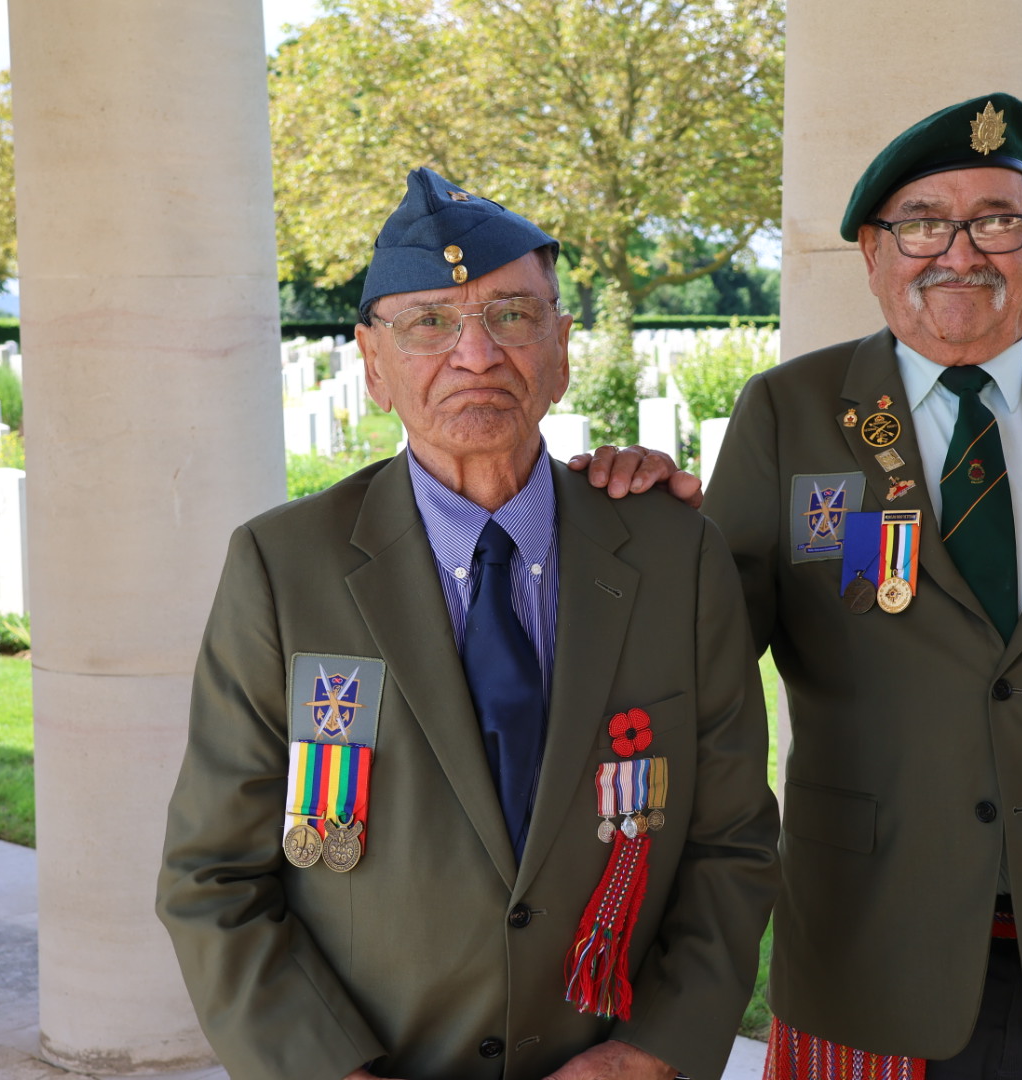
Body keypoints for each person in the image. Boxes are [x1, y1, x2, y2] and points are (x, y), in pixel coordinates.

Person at [575, 93, 1022, 1080]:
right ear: (873, 251)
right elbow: (700, 661)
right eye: (922, 224)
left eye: (995, 220)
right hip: (872, 944)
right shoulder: (791, 413)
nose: (960, 253)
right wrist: (635, 526)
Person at [156, 166, 779, 1080]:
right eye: (429, 323)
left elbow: (731, 843)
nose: (477, 355)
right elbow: (214, 878)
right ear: (373, 364)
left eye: (513, 316)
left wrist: (649, 1054)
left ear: (561, 350)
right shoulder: (283, 570)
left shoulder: (673, 556)